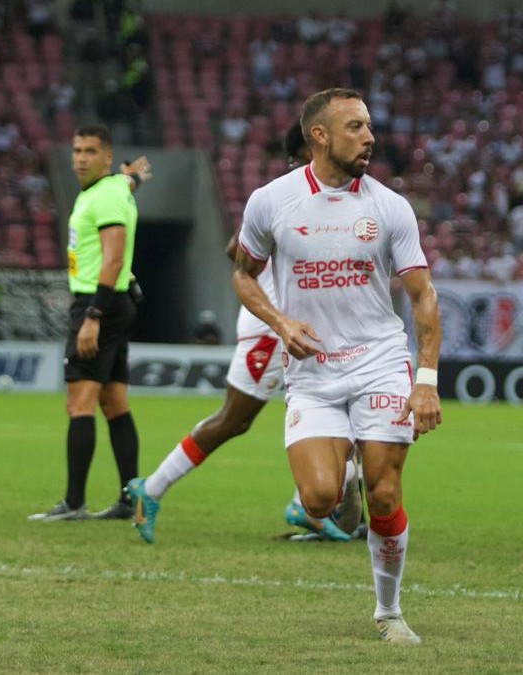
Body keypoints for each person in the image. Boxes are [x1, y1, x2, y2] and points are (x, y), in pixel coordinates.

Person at [222, 88, 443, 645]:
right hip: (314, 374)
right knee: (320, 500)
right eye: (355, 127)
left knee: (386, 493)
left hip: (379, 363)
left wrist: (426, 380)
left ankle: (389, 612)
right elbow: (244, 275)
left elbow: (422, 297)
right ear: (318, 135)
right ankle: (340, 468)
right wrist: (280, 322)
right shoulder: (271, 201)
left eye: (369, 126)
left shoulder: (389, 207)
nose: (369, 137)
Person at [124, 123, 362, 544]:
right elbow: (236, 249)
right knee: (234, 420)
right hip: (273, 328)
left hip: (304, 326)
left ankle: (311, 503)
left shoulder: (331, 196)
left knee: (349, 403)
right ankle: (153, 488)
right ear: (314, 149)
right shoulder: (286, 195)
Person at [28, 124, 143, 522]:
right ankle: (131, 499)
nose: (80, 158)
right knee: (115, 404)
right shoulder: (112, 189)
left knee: (80, 404)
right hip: (118, 299)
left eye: (90, 151)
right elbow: (125, 185)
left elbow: (112, 258)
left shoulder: (106, 195)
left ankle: (74, 502)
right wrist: (134, 176)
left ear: (106, 157)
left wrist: (93, 315)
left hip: (99, 301)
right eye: (76, 150)